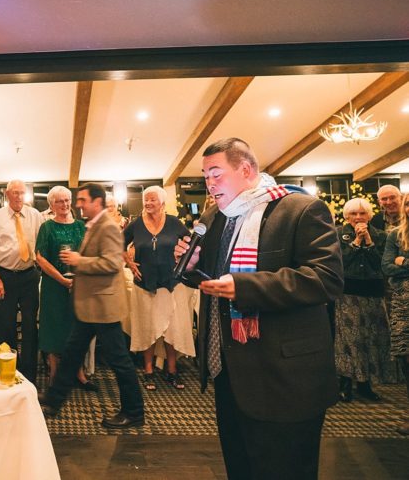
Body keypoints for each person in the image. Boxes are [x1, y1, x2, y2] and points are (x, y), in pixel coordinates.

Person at [175, 137, 343, 480]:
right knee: (241, 468)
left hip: (284, 376)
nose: (209, 184)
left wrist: (246, 287)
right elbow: (215, 278)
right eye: (205, 176)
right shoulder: (215, 217)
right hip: (231, 372)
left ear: (245, 169)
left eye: (216, 174)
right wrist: (191, 267)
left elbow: (325, 279)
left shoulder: (300, 209)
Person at [40, 183, 144, 429]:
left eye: (83, 200)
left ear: (97, 202)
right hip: (91, 305)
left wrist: (80, 261)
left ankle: (134, 412)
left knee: (120, 362)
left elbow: (111, 264)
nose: (78, 204)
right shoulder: (93, 224)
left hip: (103, 306)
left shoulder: (108, 227)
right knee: (72, 354)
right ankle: (54, 400)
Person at [123, 185, 192, 390]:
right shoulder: (136, 225)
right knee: (148, 328)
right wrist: (129, 262)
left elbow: (190, 244)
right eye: (146, 199)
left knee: (171, 328)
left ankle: (172, 370)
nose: (148, 203)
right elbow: (118, 243)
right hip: (144, 285)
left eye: (152, 199)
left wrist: (181, 260)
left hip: (171, 284)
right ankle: (149, 371)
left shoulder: (174, 223)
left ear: (162, 202)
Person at [334, 197, 395, 402]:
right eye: (354, 213)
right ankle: (345, 383)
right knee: (349, 340)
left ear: (369, 216)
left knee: (371, 339)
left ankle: (365, 384)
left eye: (362, 213)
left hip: (374, 293)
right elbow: (340, 263)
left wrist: (368, 241)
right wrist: (356, 243)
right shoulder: (337, 234)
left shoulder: (381, 236)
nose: (358, 217)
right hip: (348, 294)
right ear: (346, 216)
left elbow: (382, 265)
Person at [0, 180, 43, 385]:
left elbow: (41, 245)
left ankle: (29, 374)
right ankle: (8, 370)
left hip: (29, 276)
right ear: (7, 194)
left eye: (22, 193)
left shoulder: (35, 215)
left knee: (30, 326)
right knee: (5, 324)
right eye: (15, 193)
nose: (19, 197)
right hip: (5, 277)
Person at [35, 186, 95, 390]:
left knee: (76, 329)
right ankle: (54, 374)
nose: (65, 204)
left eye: (67, 200)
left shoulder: (80, 226)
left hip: (79, 285)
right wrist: (62, 279)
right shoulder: (47, 227)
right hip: (53, 286)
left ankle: (78, 372)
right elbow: (40, 257)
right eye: (59, 201)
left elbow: (88, 254)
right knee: (54, 328)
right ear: (51, 205)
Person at [382, 192, 409, 435]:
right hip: (403, 303)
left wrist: (404, 262)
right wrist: (397, 263)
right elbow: (387, 266)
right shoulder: (395, 235)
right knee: (405, 357)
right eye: (408, 204)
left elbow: (397, 265)